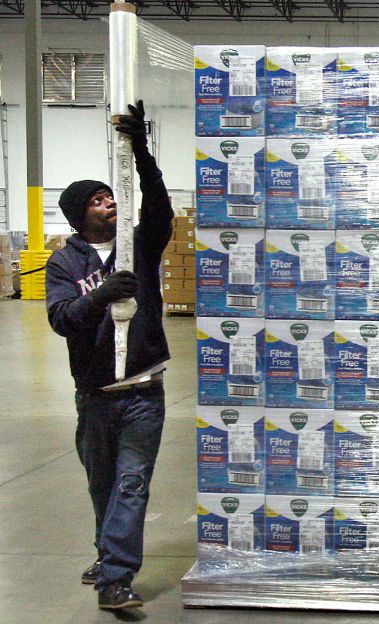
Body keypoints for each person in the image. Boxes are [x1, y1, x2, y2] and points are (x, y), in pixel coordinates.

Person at [45, 100, 173, 611]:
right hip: (95, 395)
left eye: (110, 196)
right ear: (80, 214)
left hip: (144, 389)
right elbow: (61, 319)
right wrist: (101, 295)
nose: (109, 204)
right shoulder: (63, 263)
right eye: (99, 200)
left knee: (132, 484)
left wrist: (141, 148)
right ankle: (108, 553)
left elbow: (158, 204)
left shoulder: (137, 244)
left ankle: (115, 579)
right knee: (103, 487)